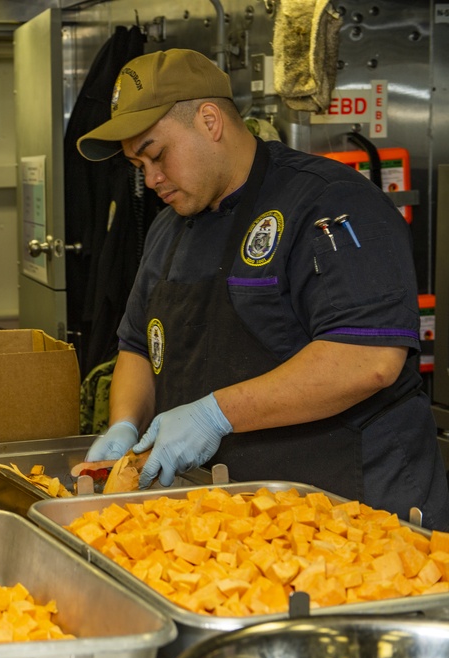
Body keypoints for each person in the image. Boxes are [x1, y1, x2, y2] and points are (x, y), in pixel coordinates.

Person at [78, 48, 449, 530]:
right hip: (236, 517)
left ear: (210, 120)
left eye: (156, 155)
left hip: (354, 512)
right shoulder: (169, 228)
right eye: (138, 167)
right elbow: (136, 347)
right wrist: (125, 424)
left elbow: (367, 359)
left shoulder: (331, 203)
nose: (151, 180)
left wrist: (214, 415)